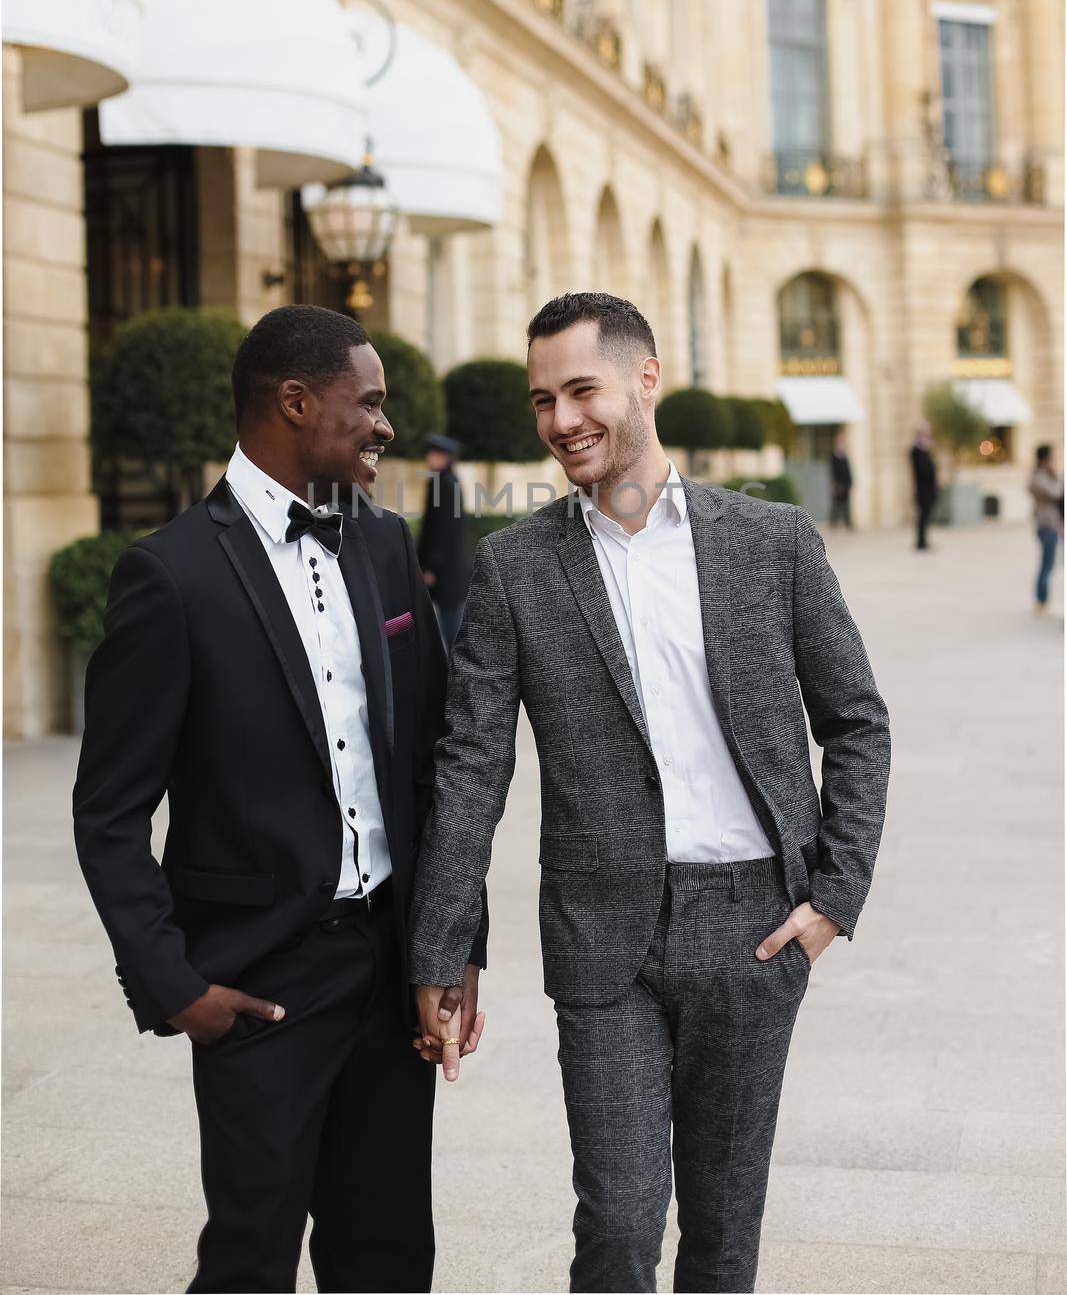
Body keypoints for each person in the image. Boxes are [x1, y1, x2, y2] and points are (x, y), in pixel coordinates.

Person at [409, 292, 891, 1295]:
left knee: (721, 1229)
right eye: (542, 399)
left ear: (644, 378)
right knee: (620, 1226)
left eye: (579, 388)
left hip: (753, 923)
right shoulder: (514, 566)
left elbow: (854, 719)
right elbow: (470, 766)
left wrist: (832, 898)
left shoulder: (771, 541)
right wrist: (443, 945)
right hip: (600, 937)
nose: (559, 420)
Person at [72, 304, 486, 1295]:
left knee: (387, 1254)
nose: (385, 425)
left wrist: (454, 946)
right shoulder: (168, 574)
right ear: (295, 402)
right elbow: (110, 811)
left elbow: (438, 764)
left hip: (390, 971)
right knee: (250, 1257)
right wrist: (171, 982)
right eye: (370, 403)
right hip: (260, 981)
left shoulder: (386, 545)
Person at [417, 432, 469, 649]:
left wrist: (430, 566)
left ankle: (458, 671)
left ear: (446, 457)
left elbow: (441, 529)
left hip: (445, 569)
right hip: (447, 568)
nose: (430, 457)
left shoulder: (444, 485)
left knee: (451, 625)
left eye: (435, 453)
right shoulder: (445, 481)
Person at [1028, 443, 1063, 613]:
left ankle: (1043, 600)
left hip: (1052, 524)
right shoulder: (1038, 477)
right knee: (1047, 564)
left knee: (1048, 564)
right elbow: (1056, 492)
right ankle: (1041, 600)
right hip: (1046, 524)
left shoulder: (1046, 475)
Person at [910, 421, 939, 551]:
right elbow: (923, 469)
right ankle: (921, 542)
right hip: (923, 490)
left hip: (929, 489)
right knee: (922, 516)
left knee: (926, 516)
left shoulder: (925, 450)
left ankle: (924, 540)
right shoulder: (916, 450)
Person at [829, 431, 853, 527]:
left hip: (846, 483)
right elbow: (833, 471)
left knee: (846, 504)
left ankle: (847, 522)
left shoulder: (845, 456)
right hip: (838, 484)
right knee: (836, 504)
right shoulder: (834, 456)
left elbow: (848, 471)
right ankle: (833, 522)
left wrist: (850, 482)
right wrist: (835, 483)